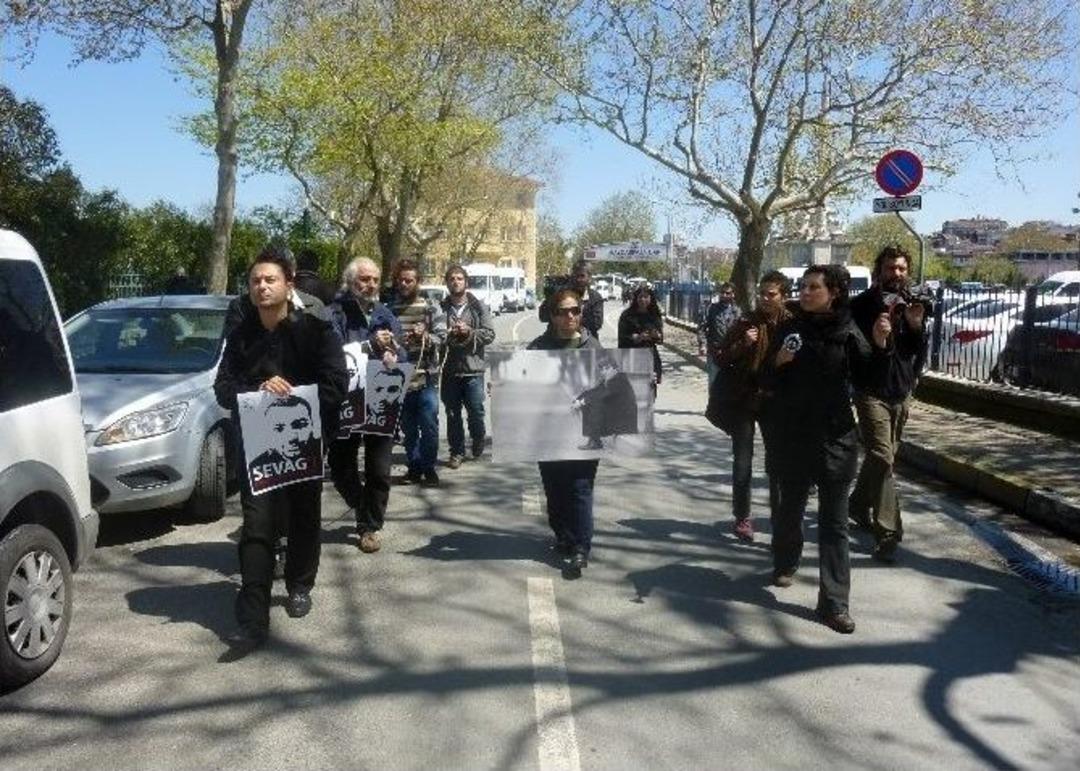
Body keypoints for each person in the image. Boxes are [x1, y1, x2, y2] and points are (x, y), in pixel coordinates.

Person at [213, 246, 347, 653]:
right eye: (255, 280)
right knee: (257, 526)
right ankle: (252, 618)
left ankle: (299, 583)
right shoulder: (240, 335)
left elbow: (336, 385)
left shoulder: (316, 329)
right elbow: (222, 388)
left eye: (270, 279)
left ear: (289, 284)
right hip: (256, 446)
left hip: (304, 443)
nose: (261, 286)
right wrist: (257, 391)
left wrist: (292, 398)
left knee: (305, 514)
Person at [762, 264, 879, 635]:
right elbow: (764, 376)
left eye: (814, 287)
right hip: (793, 434)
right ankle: (785, 560)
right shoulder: (789, 327)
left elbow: (870, 377)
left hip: (835, 437)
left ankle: (834, 603)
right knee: (790, 506)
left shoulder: (847, 330)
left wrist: (881, 342)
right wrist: (776, 363)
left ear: (834, 293)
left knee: (834, 523)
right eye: (803, 286)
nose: (805, 292)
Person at [848, 246, 928, 562]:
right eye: (890, 268)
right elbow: (858, 355)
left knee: (885, 455)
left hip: (901, 390)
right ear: (879, 269)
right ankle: (889, 533)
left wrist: (916, 326)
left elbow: (916, 349)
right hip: (871, 391)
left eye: (901, 268)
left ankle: (856, 504)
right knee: (882, 455)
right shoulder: (861, 306)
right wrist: (879, 342)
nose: (896, 273)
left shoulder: (914, 303)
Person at [328, 257, 404, 555]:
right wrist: (369, 346)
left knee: (380, 470)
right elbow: (331, 354)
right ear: (350, 281)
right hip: (346, 401)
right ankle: (362, 505)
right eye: (364, 279)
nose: (370, 284)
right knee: (340, 466)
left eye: (374, 279)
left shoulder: (386, 314)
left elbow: (403, 355)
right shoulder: (335, 313)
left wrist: (395, 356)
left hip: (380, 400)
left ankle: (370, 526)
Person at [711, 271, 792, 542]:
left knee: (777, 463)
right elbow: (720, 356)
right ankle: (742, 516)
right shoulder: (746, 322)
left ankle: (779, 516)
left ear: (784, 296)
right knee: (743, 462)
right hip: (743, 400)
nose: (765, 299)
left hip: (774, 401)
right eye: (762, 293)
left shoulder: (792, 325)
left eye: (772, 294)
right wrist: (743, 345)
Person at [528, 288, 603, 578]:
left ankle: (582, 547)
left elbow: (610, 383)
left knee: (580, 487)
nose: (570, 316)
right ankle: (564, 534)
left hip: (584, 431)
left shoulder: (592, 347)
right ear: (553, 315)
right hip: (548, 432)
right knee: (555, 486)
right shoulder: (537, 348)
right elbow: (520, 381)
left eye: (575, 310)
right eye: (563, 311)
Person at [390, 259, 447, 486]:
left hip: (426, 378)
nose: (404, 284)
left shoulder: (431, 308)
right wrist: (393, 341)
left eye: (409, 280)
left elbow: (442, 337)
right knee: (409, 430)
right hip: (400, 379)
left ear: (418, 282)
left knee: (430, 427)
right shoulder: (389, 308)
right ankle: (414, 467)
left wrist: (426, 337)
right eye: (401, 280)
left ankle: (428, 467)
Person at [440, 264, 496, 468]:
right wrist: (447, 333)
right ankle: (457, 452)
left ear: (466, 282)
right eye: (452, 279)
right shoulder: (440, 308)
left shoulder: (478, 307)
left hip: (473, 369)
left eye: (459, 278)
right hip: (449, 370)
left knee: (476, 411)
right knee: (452, 413)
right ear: (446, 283)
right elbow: (435, 334)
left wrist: (469, 331)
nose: (455, 282)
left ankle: (478, 436)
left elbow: (489, 334)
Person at [247, 395, 323, 492]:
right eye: (279, 428)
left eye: (300, 425)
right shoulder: (256, 466)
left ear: (312, 425)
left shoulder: (317, 450)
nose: (292, 437)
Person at [573, 357, 638, 450]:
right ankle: (594, 440)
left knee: (595, 406)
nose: (604, 371)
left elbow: (604, 395)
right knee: (590, 404)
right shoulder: (608, 379)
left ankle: (595, 441)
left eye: (607, 368)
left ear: (615, 368)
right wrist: (577, 400)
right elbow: (594, 391)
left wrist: (583, 402)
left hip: (624, 417)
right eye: (602, 369)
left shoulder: (620, 379)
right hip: (615, 411)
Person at [539, 260, 604, 336]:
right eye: (575, 276)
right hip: (558, 341)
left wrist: (570, 322)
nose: (578, 279)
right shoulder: (561, 294)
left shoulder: (595, 297)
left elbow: (596, 324)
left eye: (582, 276)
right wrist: (549, 298)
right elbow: (543, 317)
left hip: (585, 342)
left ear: (589, 278)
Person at [618, 283, 664, 389]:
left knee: (649, 393)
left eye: (646, 297)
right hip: (631, 357)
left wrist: (656, 335)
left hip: (650, 357)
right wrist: (637, 338)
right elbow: (622, 338)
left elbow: (661, 339)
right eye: (640, 297)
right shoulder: (627, 315)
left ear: (651, 298)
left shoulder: (655, 315)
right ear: (636, 298)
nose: (643, 300)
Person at [698, 281, 741, 386]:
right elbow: (702, 328)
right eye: (722, 292)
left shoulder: (738, 311)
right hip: (715, 351)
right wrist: (702, 344)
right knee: (714, 383)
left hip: (732, 353)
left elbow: (741, 332)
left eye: (727, 293)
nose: (724, 295)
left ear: (733, 294)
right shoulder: (711, 309)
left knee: (730, 385)